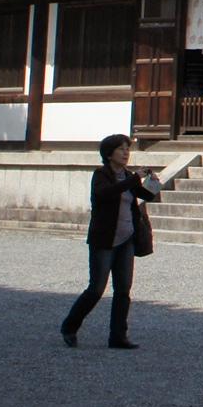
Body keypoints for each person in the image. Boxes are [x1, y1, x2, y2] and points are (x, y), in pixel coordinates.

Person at [60, 134, 162, 350]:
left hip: (127, 238)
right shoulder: (101, 175)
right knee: (96, 288)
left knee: (123, 289)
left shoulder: (127, 176)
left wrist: (153, 184)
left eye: (127, 149)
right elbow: (105, 193)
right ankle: (70, 326)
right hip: (104, 239)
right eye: (121, 149)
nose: (126, 153)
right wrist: (133, 179)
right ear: (109, 154)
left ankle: (118, 336)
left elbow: (146, 195)